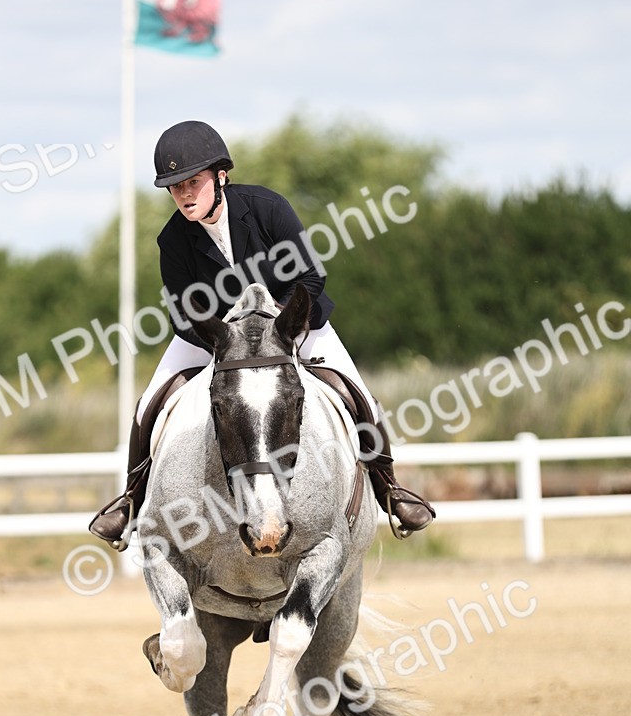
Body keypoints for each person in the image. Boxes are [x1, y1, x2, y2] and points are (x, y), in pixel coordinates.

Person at [89, 120, 434, 549]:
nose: (184, 195)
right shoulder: (173, 240)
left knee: (356, 392)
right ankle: (130, 501)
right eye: (175, 187)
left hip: (294, 326)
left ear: (220, 175)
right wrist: (226, 342)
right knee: (150, 405)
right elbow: (183, 312)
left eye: (192, 182)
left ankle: (389, 487)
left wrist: (280, 329)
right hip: (217, 339)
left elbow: (310, 276)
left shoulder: (267, 208)